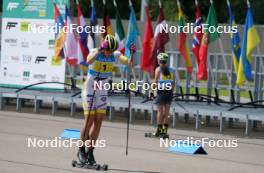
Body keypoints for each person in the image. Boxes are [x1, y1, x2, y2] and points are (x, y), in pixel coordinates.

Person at [78, 34, 135, 164]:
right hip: (90, 88)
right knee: (89, 121)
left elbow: (129, 63)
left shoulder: (114, 54)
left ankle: (90, 152)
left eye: (111, 51)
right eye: (108, 51)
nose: (109, 54)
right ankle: (81, 150)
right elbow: (88, 60)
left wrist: (132, 53)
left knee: (99, 121)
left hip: (102, 88)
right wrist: (99, 49)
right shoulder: (96, 52)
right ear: (105, 47)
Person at [152, 53, 175, 138]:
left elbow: (155, 82)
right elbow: (173, 83)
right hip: (168, 92)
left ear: (159, 61)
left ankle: (159, 131)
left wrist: (151, 92)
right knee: (167, 112)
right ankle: (164, 132)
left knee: (160, 112)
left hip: (161, 92)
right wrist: (171, 92)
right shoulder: (171, 70)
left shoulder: (158, 70)